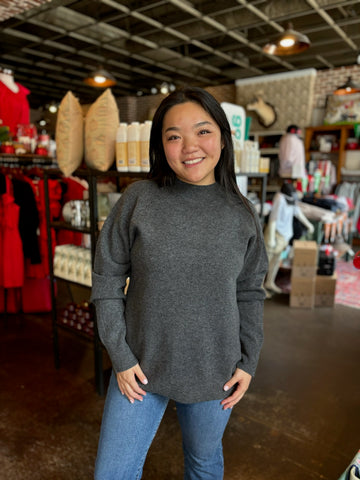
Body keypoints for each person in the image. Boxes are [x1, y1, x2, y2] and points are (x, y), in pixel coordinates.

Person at [91, 86, 268, 479]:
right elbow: (106, 278)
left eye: (203, 131)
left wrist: (249, 359)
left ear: (222, 137)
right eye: (174, 136)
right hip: (139, 367)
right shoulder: (139, 199)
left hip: (215, 369)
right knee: (112, 473)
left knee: (204, 464)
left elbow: (250, 291)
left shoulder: (242, 214)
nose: (190, 146)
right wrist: (119, 354)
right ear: (161, 145)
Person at [264, 181, 314, 294]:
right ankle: (259, 288)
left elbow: (298, 213)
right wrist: (271, 238)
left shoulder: (292, 199)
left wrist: (308, 225)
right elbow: (273, 218)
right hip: (275, 234)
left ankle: (270, 282)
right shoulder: (279, 198)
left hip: (284, 236)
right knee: (265, 262)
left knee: (276, 261)